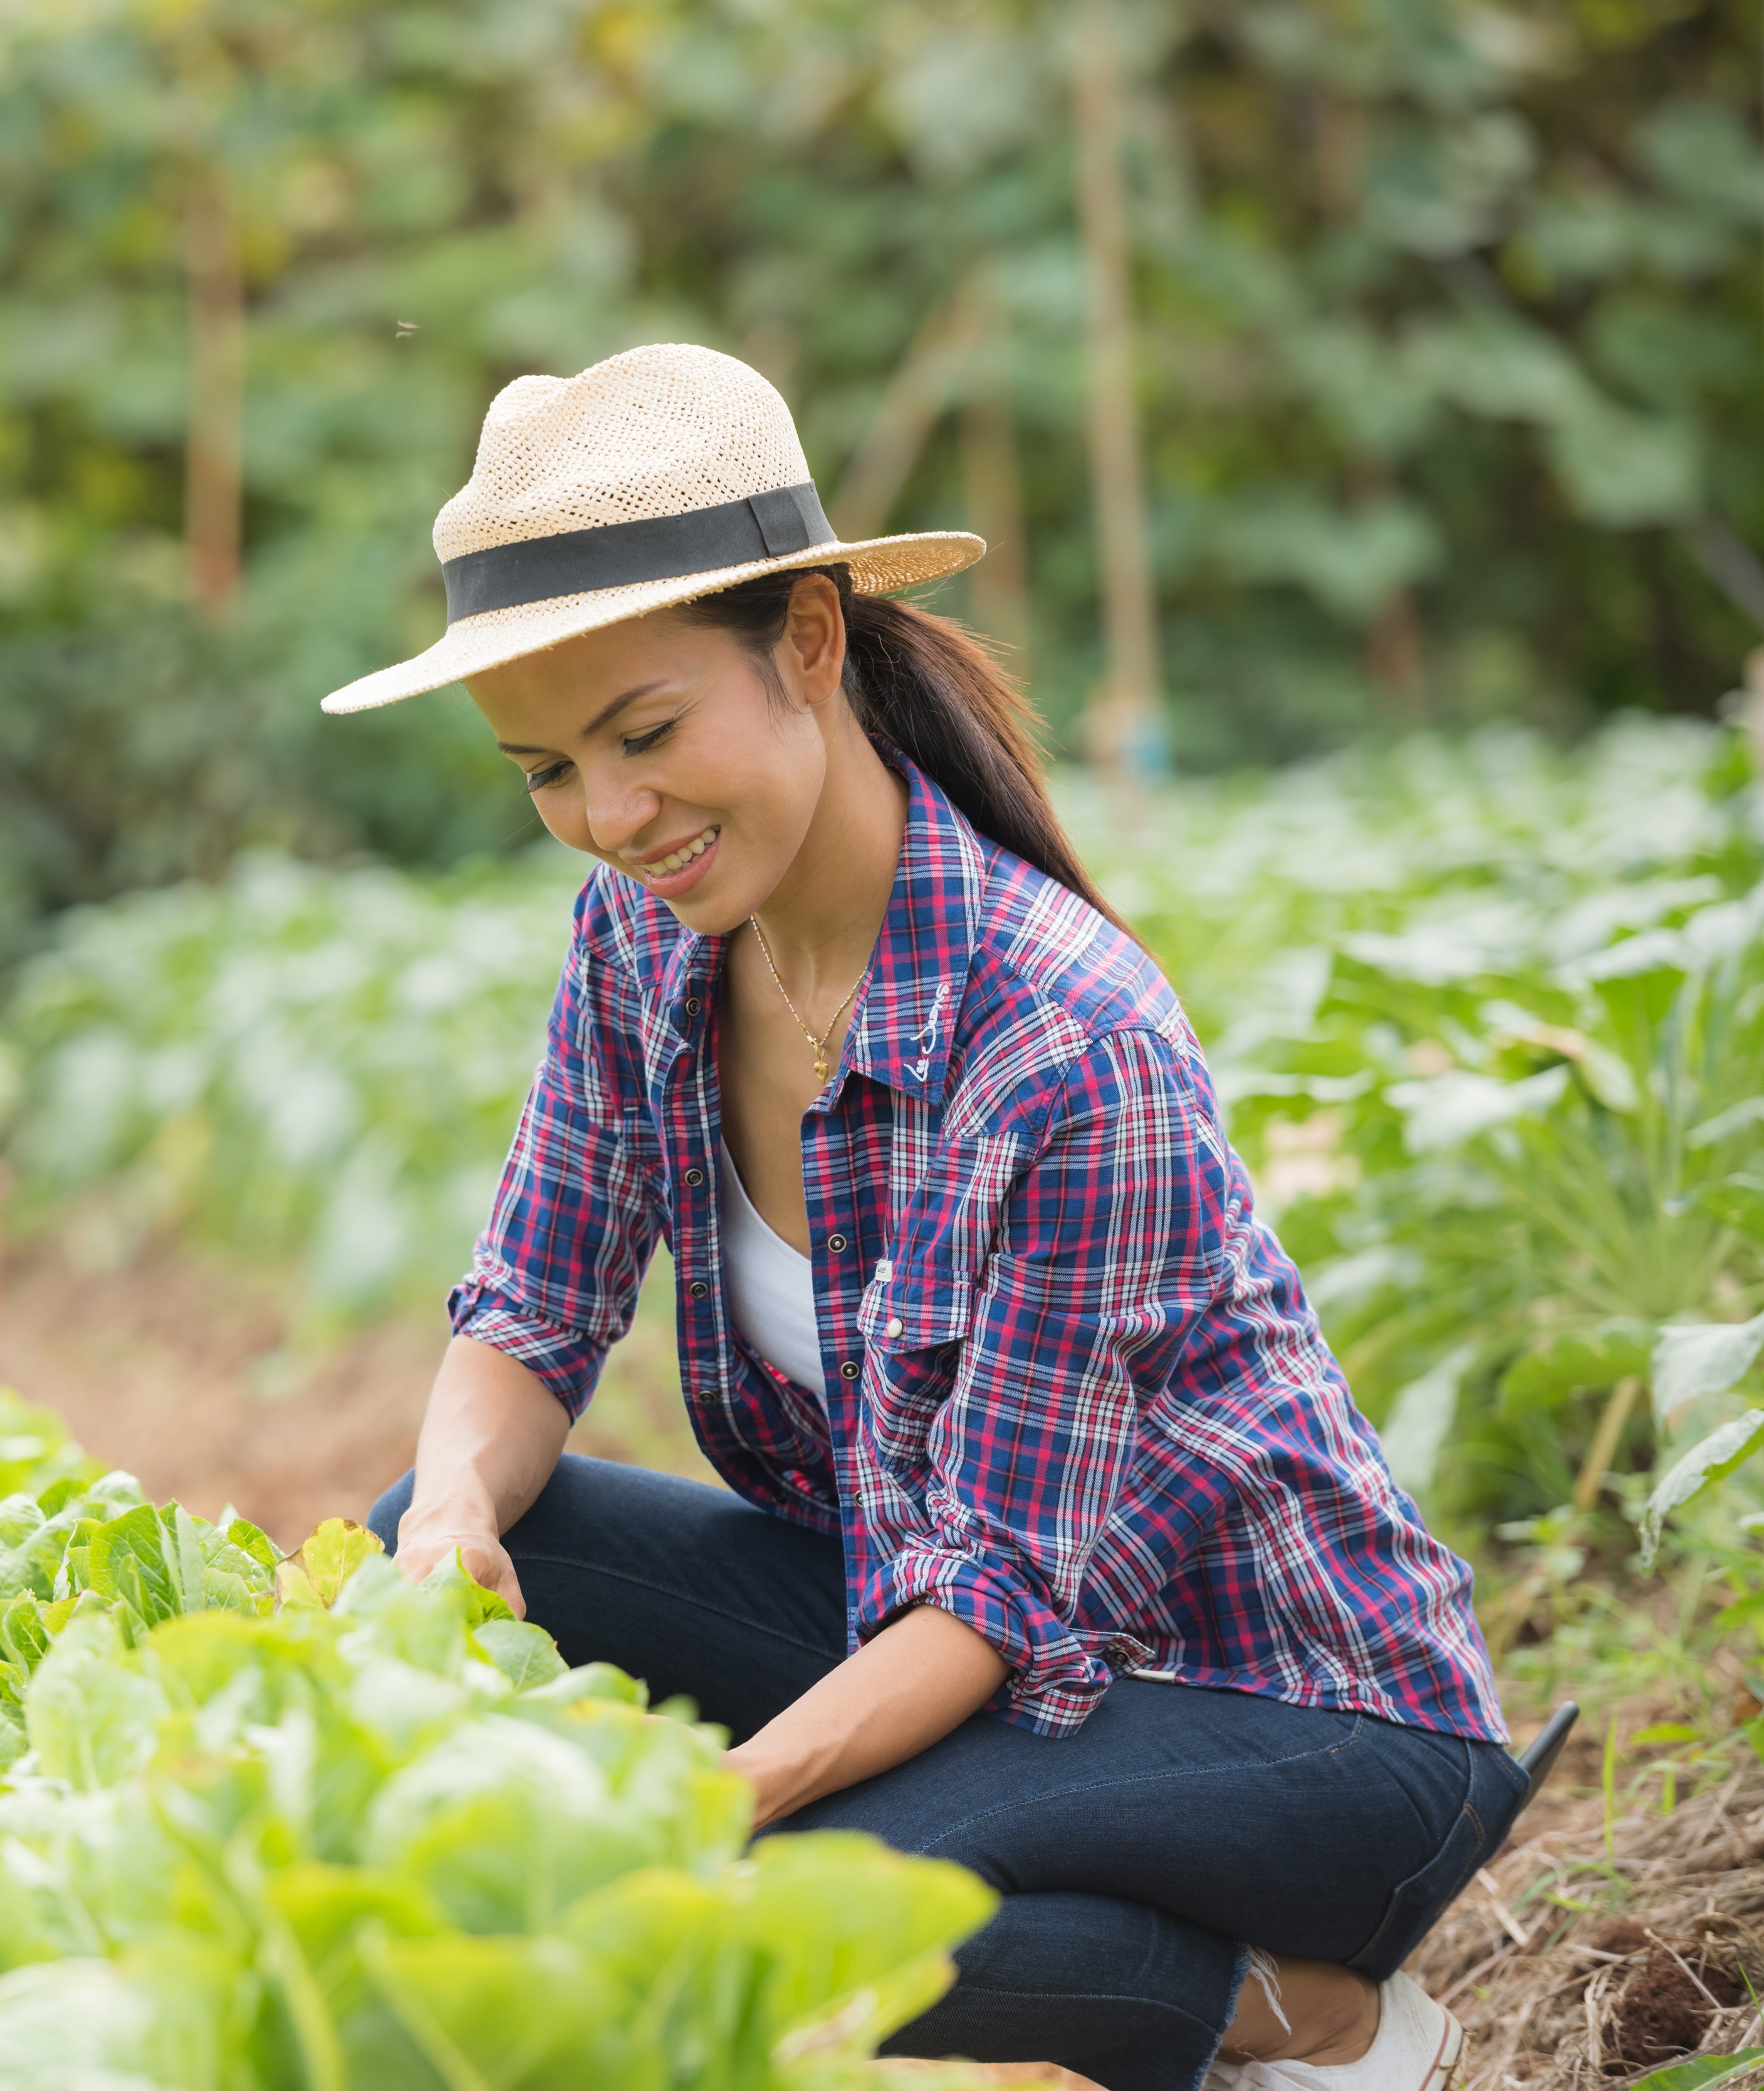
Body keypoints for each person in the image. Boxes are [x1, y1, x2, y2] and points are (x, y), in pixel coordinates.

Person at [323, 345, 1517, 2091]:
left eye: (645, 734)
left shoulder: (1065, 1036)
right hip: (966, 1632)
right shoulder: (641, 946)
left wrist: (711, 1804)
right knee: (435, 1543)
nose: (611, 817)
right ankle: (1096, 1934)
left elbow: (993, 1595)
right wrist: (447, 1517)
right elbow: (529, 1310)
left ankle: (1320, 2016)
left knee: (789, 1895)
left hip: (1302, 1717)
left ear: (810, 640)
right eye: (547, 770)